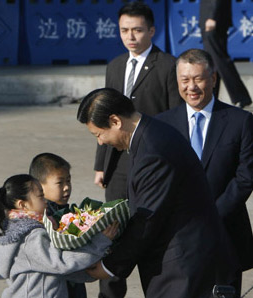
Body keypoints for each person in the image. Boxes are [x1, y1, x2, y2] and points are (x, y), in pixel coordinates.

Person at [77, 88, 240, 298]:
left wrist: (110, 266)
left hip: (185, 271)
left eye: (99, 134)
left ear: (115, 121)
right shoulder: (152, 133)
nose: (100, 142)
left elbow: (147, 219)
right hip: (184, 263)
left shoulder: (152, 152)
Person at [95, 3, 182, 295]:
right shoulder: (115, 65)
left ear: (152, 30)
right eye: (124, 30)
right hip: (118, 165)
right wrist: (100, 164)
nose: (130, 36)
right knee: (110, 234)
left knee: (147, 231)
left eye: (137, 29)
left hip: (152, 161)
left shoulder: (168, 65)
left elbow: (175, 118)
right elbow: (102, 118)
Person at [155, 48, 253, 298]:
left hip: (225, 233)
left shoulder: (240, 121)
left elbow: (245, 178)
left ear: (213, 78)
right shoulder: (163, 125)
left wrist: (212, 216)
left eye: (198, 78)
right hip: (177, 239)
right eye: (185, 80)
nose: (192, 87)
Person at [0, 174, 119, 298]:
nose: (45, 201)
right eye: (40, 196)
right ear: (23, 204)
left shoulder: (27, 230)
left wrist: (89, 272)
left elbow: (57, 270)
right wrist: (99, 243)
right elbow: (61, 263)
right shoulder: (29, 238)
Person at [29, 152, 87, 298]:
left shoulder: (65, 210)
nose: (67, 187)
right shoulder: (44, 217)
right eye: (60, 182)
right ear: (39, 186)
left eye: (68, 181)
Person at [199, 0, 252, 108]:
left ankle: (241, 96)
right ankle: (212, 99)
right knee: (213, 63)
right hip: (211, 18)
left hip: (213, 20)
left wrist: (213, 16)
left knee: (219, 60)